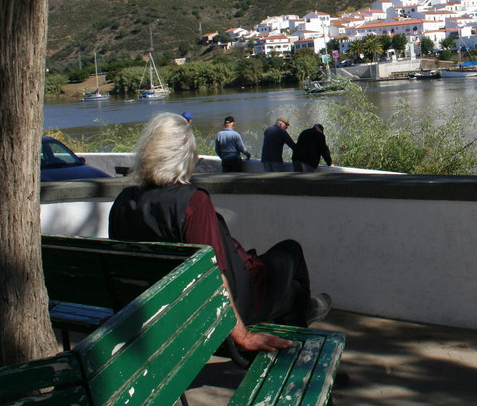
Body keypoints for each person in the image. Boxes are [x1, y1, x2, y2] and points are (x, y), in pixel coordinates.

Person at [108, 113, 331, 352]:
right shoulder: (192, 201)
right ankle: (303, 356)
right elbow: (213, 275)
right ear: (185, 155)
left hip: (160, 308)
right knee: (291, 253)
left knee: (293, 292)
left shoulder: (124, 200)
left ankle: (302, 313)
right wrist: (242, 336)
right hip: (232, 299)